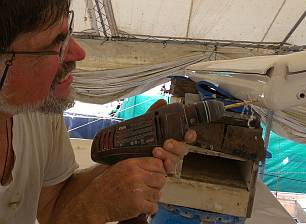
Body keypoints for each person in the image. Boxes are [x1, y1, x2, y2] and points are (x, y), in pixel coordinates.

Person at [0, 1, 196, 223]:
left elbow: (50, 204)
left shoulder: (38, 105)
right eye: (56, 44)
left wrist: (117, 171)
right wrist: (87, 213)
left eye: (67, 34)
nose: (79, 52)